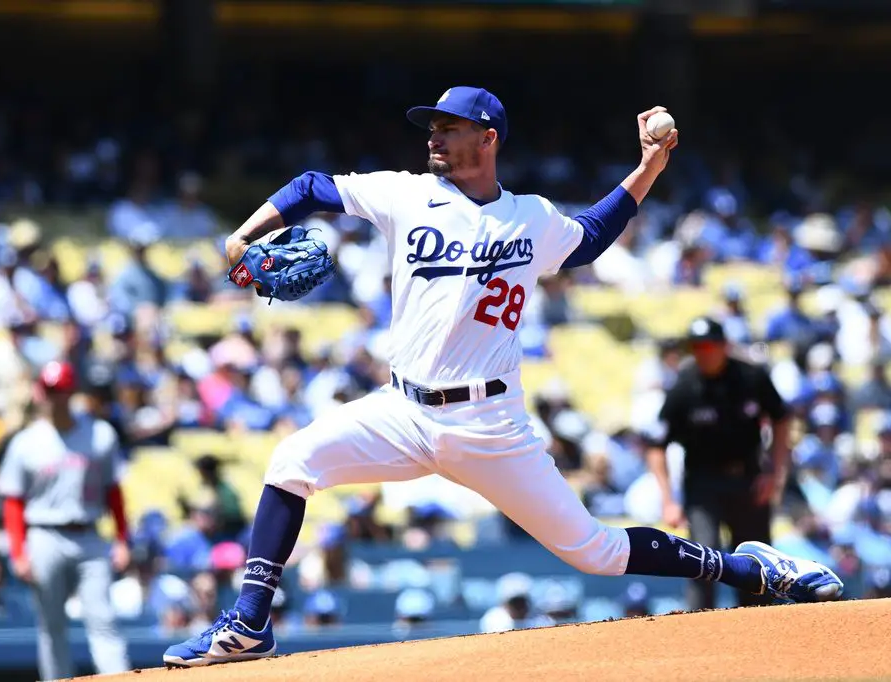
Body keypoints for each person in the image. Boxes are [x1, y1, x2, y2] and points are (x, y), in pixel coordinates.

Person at [163, 87, 843, 668]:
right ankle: (250, 624)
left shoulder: (531, 218)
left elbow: (594, 235)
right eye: (431, 127)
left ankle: (752, 567)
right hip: (402, 411)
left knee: (597, 553)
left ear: (486, 138)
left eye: (448, 128)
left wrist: (649, 166)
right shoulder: (405, 195)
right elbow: (313, 186)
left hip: (490, 425)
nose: (433, 136)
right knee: (290, 461)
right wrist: (245, 233)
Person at [0, 360, 132, 681]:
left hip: (89, 534)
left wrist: (122, 539)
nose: (57, 397)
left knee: (103, 617)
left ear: (73, 392)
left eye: (62, 391)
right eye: (51, 391)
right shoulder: (26, 441)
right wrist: (18, 551)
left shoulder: (99, 434)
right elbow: (13, 502)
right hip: (44, 535)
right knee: (52, 624)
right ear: (42, 392)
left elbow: (114, 492)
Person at [646, 316, 793, 611]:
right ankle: (702, 630)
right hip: (703, 484)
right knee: (703, 556)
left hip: (749, 479)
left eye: (710, 346)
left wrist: (775, 473)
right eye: (697, 347)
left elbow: (781, 418)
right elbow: (656, 446)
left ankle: (759, 630)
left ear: (724, 346)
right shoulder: (683, 389)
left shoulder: (751, 378)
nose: (704, 352)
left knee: (757, 561)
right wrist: (667, 499)